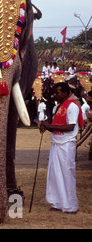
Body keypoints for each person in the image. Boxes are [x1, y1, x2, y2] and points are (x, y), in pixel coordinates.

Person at [39, 82, 84, 214]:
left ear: (65, 93)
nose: (55, 95)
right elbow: (55, 127)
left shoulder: (72, 106)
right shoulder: (57, 108)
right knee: (54, 174)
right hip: (56, 144)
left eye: (57, 92)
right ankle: (58, 202)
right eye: (54, 92)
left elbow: (70, 127)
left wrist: (50, 126)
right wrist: (46, 127)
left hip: (66, 145)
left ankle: (70, 205)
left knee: (66, 174)